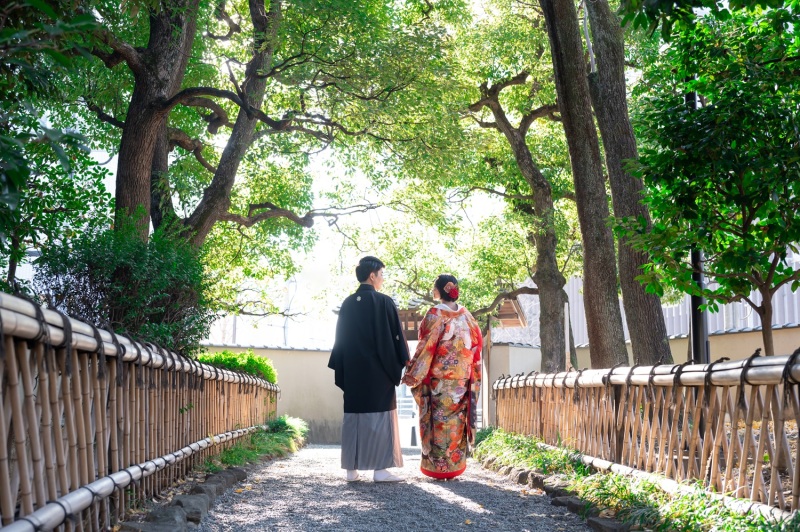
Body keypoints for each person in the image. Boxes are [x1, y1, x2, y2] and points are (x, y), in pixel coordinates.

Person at [328, 256, 410, 482]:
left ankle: (351, 470)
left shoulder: (347, 303)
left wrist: (343, 367)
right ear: (372, 275)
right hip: (379, 372)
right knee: (381, 417)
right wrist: (403, 362)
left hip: (353, 372)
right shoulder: (384, 302)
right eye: (381, 274)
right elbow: (396, 337)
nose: (382, 279)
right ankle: (380, 470)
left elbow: (340, 340)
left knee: (353, 416)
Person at [401, 274, 483, 480]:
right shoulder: (468, 316)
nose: (432, 291)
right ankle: (454, 465)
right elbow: (476, 347)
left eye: (433, 288)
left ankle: (438, 468)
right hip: (461, 381)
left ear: (439, 290)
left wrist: (413, 372)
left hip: (439, 381)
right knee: (455, 424)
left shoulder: (435, 314)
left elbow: (426, 345)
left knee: (438, 424)